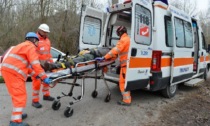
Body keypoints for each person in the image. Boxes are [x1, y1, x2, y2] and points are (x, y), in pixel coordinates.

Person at [1, 32, 52, 126]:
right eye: (37, 42)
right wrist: (43, 77)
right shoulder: (30, 47)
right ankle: (15, 122)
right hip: (13, 74)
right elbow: (35, 64)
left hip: (9, 71)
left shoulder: (21, 46)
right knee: (20, 96)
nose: (37, 44)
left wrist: (36, 75)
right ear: (34, 40)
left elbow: (25, 67)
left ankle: (17, 115)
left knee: (16, 95)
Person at [95, 26, 131, 106]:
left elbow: (115, 50)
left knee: (122, 82)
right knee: (124, 82)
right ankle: (126, 99)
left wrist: (105, 57)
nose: (118, 35)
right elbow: (120, 52)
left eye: (118, 33)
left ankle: (127, 101)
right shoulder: (128, 39)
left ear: (120, 32)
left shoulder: (123, 40)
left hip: (125, 65)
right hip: (126, 65)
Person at [31, 23, 55, 108]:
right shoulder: (34, 39)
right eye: (44, 32)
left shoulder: (47, 40)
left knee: (46, 81)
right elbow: (32, 53)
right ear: (39, 30)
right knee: (37, 83)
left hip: (46, 65)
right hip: (37, 65)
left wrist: (51, 63)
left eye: (46, 32)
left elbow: (48, 53)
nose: (46, 33)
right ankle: (35, 101)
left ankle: (46, 95)